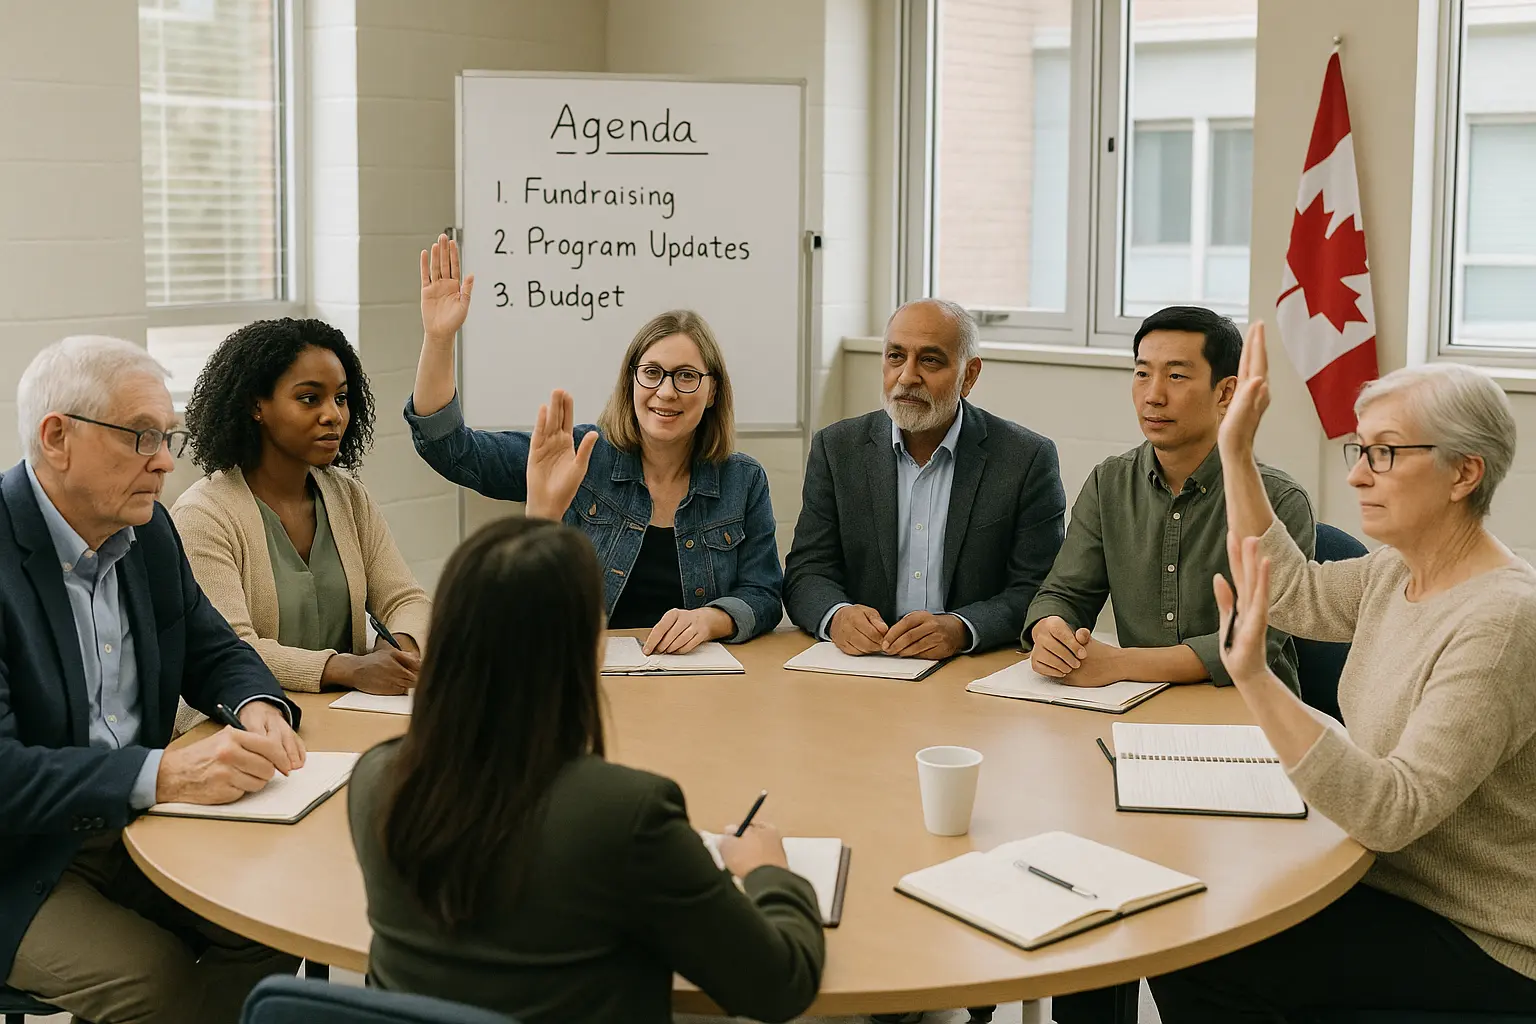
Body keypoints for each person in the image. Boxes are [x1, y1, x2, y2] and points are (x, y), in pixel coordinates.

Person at [1148, 326, 1536, 1021]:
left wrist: (1258, 681)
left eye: (1384, 453)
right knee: (1197, 906)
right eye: (1361, 450)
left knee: (1197, 946)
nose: (1356, 474)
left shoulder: (1503, 621)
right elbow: (1291, 591)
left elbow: (1392, 812)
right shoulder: (1402, 569)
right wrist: (1234, 450)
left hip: (1481, 936)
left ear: (1464, 473)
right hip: (1372, 877)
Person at [347, 517, 825, 1024]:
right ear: (585, 646)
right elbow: (778, 986)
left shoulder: (376, 779)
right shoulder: (625, 816)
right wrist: (770, 872)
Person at [1, 336, 307, 1024]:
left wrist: (258, 706)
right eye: (143, 437)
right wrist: (163, 775)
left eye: (166, 437)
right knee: (157, 981)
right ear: (57, 438)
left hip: (137, 829)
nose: (167, 461)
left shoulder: (149, 533)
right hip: (18, 857)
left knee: (268, 925)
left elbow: (215, 651)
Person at [405, 234, 783, 653]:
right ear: (631, 382)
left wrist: (712, 619)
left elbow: (764, 594)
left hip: (701, 684)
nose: (667, 391)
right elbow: (451, 450)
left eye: (687, 376)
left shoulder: (742, 480)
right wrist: (438, 340)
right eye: (652, 372)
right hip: (587, 677)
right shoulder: (580, 453)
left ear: (712, 392)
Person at [1024, 306, 1315, 692]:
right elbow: (1065, 592)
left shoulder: (1278, 499)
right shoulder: (1108, 482)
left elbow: (1255, 638)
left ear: (1226, 392)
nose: (1153, 396)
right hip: (1135, 701)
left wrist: (1121, 663)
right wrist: (1051, 630)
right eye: (1142, 374)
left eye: (1176, 376)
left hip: (1249, 709)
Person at [783, 298, 1066, 659]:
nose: (907, 376)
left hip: (970, 671)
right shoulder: (837, 449)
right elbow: (807, 572)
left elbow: (1038, 588)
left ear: (969, 375)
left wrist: (963, 628)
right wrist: (836, 616)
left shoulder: (1025, 459)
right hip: (862, 666)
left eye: (930, 360)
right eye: (895, 356)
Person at [172, 318, 431, 696]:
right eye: (310, 399)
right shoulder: (203, 515)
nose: (334, 415)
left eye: (341, 398)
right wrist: (348, 669)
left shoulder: (349, 497)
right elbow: (230, 650)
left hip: (343, 715)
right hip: (241, 722)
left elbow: (405, 599)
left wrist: (399, 653)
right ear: (256, 406)